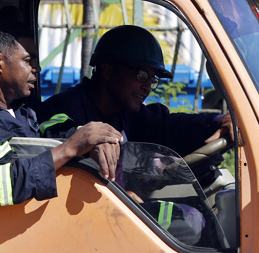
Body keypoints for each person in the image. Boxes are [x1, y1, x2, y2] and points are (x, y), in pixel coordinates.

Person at [0, 29, 122, 208]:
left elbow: (52, 123)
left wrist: (90, 137)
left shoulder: (21, 106)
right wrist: (69, 149)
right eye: (28, 60)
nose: (37, 68)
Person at [36, 25, 231, 157]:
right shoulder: (62, 108)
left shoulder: (128, 115)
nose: (147, 87)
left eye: (151, 79)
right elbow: (55, 130)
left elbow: (170, 126)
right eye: (141, 76)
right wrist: (89, 140)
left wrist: (219, 121)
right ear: (107, 71)